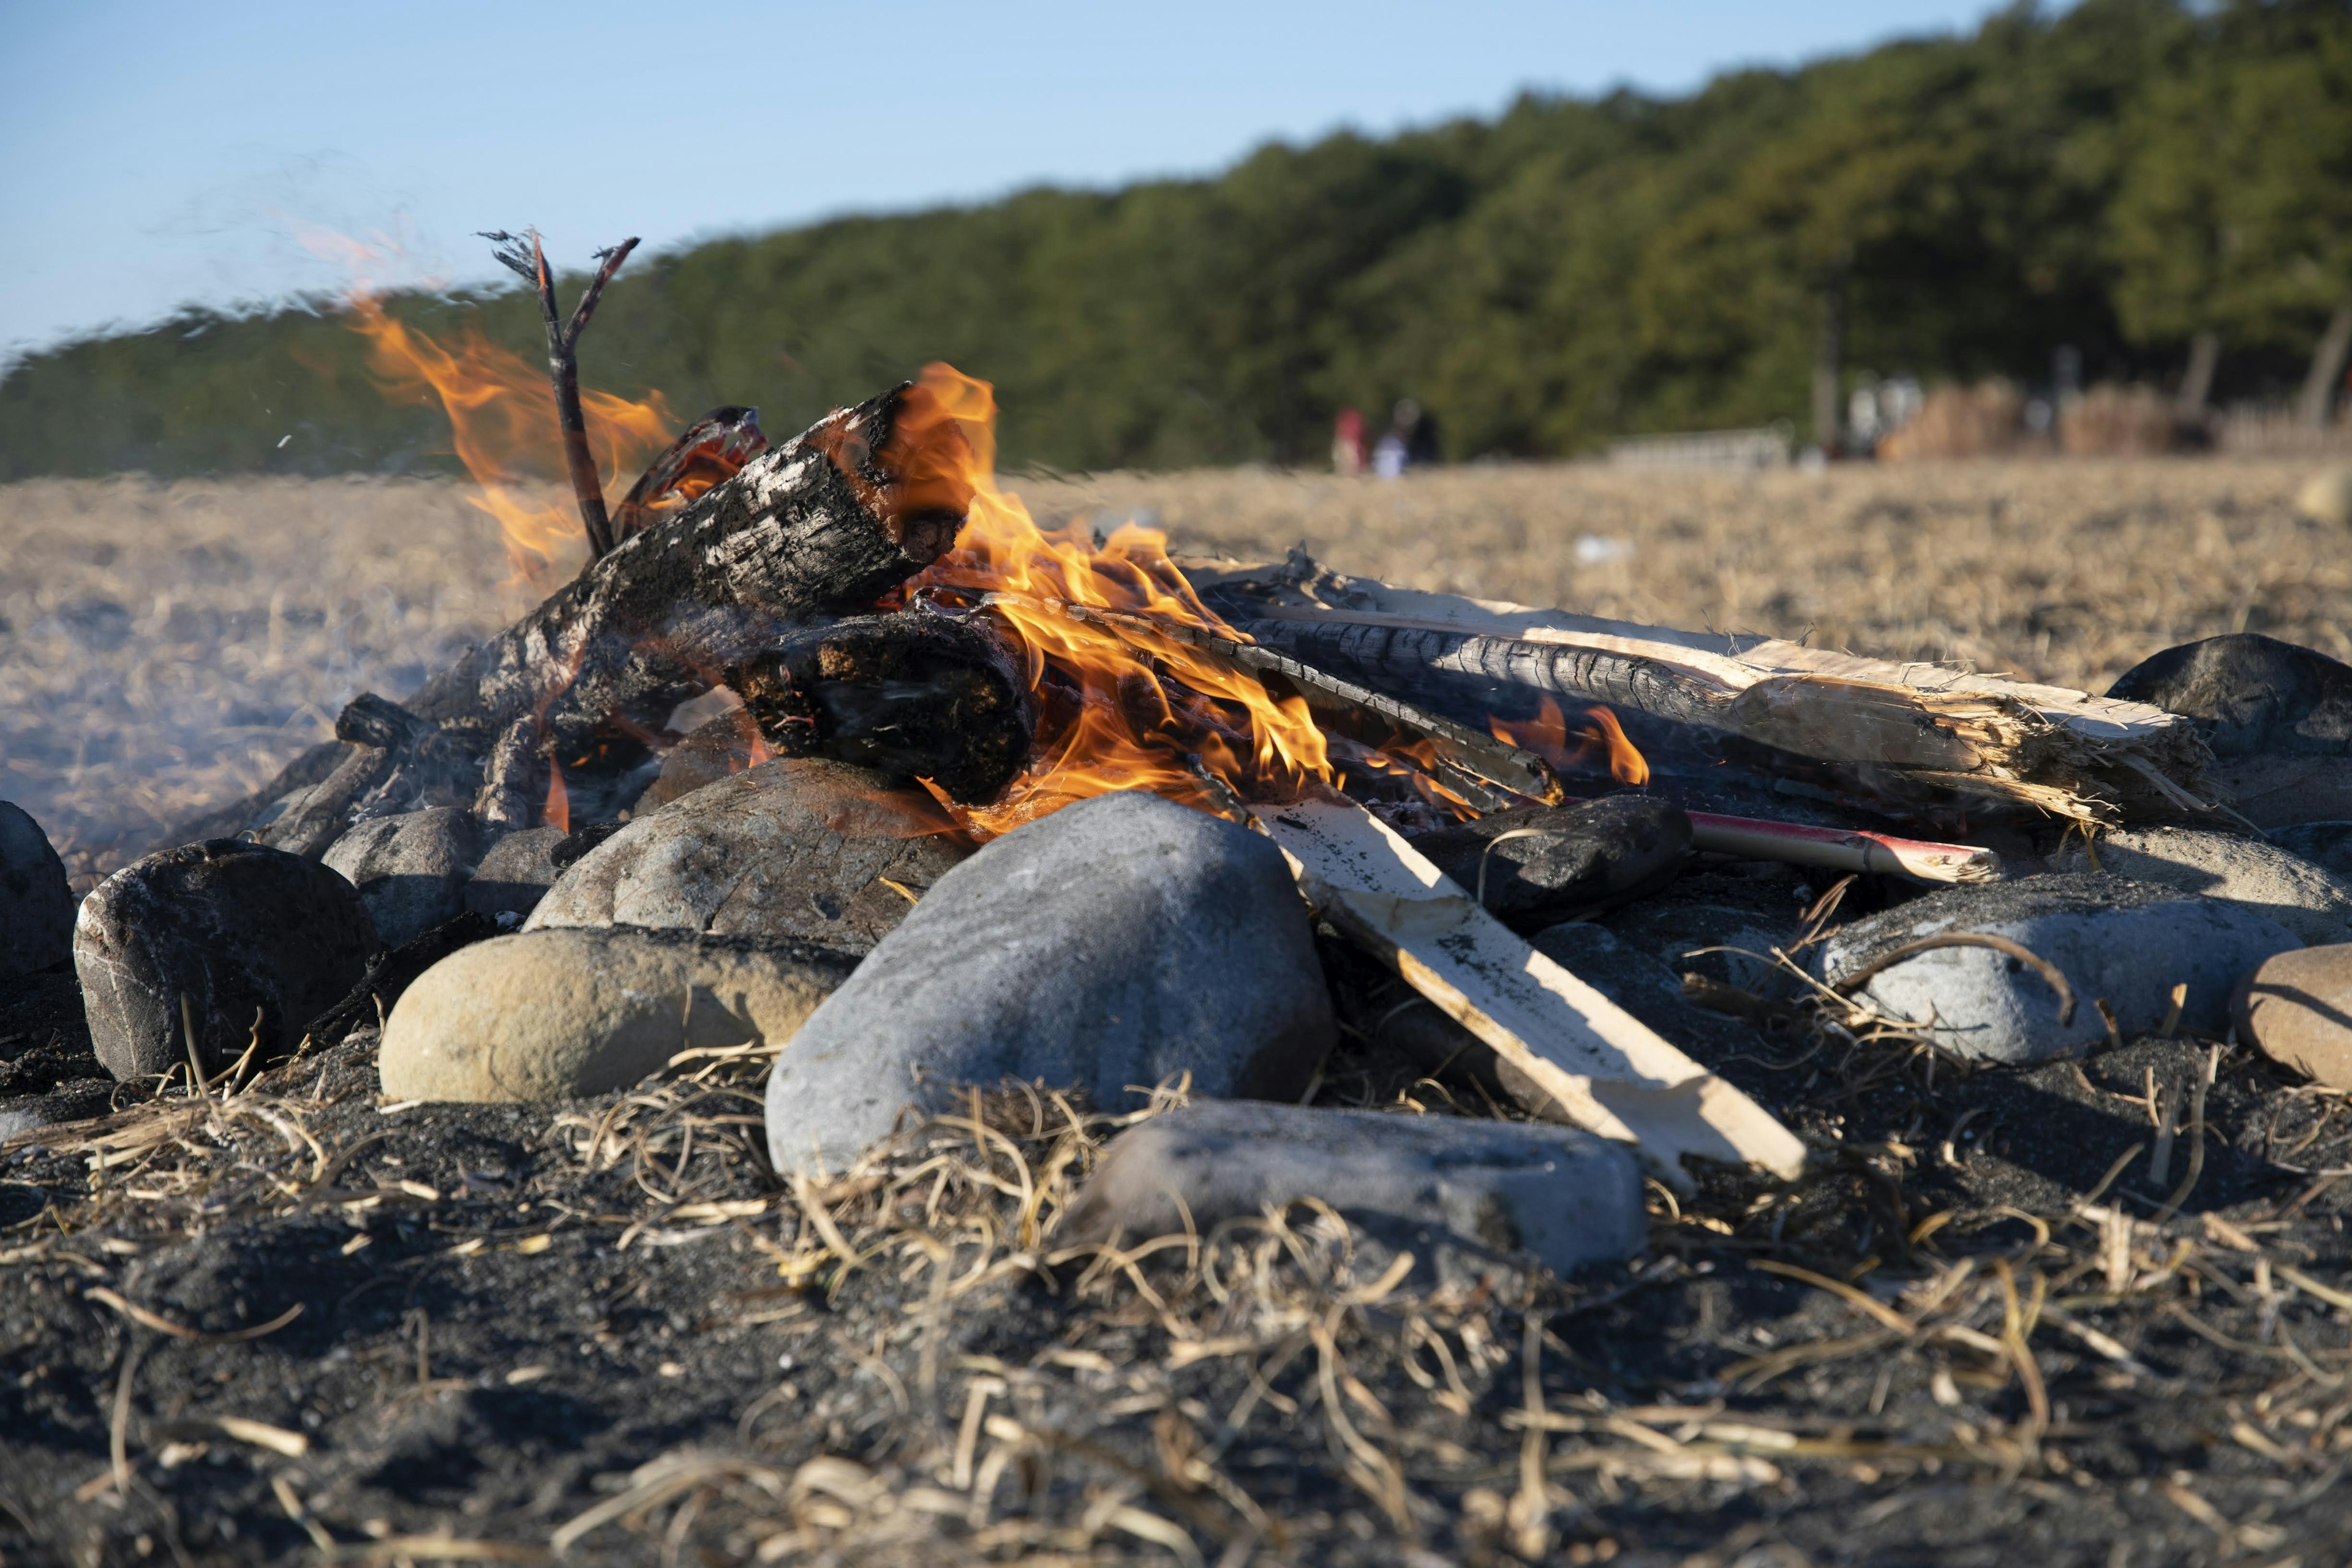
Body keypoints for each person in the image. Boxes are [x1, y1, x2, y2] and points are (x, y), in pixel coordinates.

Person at [1332, 407, 1366, 476]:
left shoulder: (1349, 419)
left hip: (1346, 440)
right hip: (1346, 441)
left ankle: (1347, 473)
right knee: (1347, 459)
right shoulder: (1351, 419)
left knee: (1347, 459)